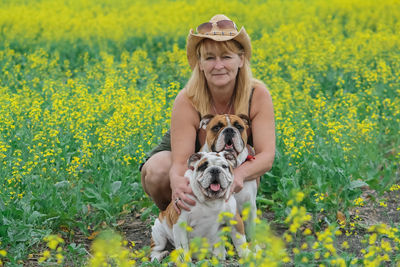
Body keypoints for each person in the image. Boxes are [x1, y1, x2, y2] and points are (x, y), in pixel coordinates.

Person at [140, 14, 275, 214]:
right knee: (159, 170)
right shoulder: (187, 99)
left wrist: (239, 174)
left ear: (241, 59)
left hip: (233, 162)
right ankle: (175, 221)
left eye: (226, 57)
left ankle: (234, 219)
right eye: (210, 58)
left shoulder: (257, 94)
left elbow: (266, 156)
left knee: (250, 161)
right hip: (189, 157)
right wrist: (177, 181)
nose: (218, 65)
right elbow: (179, 163)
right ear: (200, 64)